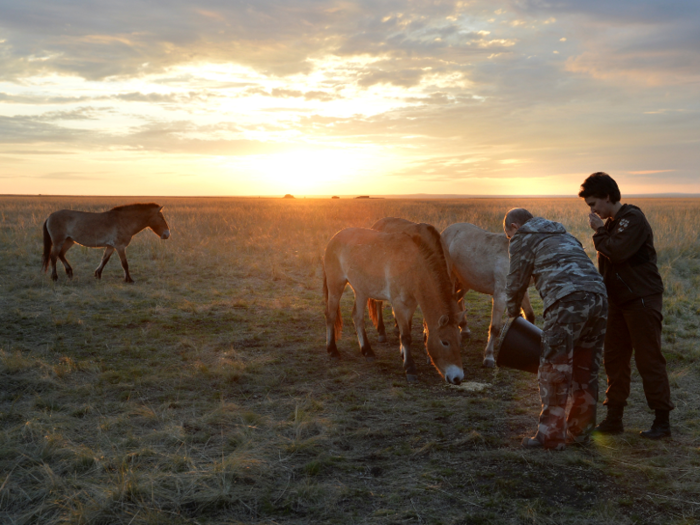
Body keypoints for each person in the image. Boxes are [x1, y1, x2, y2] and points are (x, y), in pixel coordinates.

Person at [579, 172, 674, 439]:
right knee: (614, 359)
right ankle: (614, 419)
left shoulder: (632, 219)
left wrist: (598, 230)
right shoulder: (612, 224)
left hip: (641, 299)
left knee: (648, 359)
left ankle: (662, 422)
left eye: (594, 203)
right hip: (618, 302)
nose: (593, 210)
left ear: (608, 197)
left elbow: (617, 252)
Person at [504, 208, 608, 450]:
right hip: (599, 298)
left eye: (509, 235)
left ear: (514, 227)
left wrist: (512, 317)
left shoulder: (522, 237)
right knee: (586, 369)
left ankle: (550, 437)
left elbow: (515, 282)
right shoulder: (564, 233)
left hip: (566, 302)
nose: (511, 240)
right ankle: (581, 434)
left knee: (554, 370)